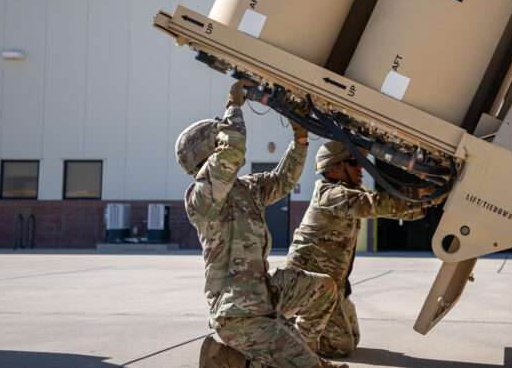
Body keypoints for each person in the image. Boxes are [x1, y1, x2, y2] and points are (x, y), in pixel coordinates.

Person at [176, 81, 346, 368]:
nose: (224, 139)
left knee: (323, 288)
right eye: (218, 139)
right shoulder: (201, 199)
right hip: (239, 313)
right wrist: (234, 106)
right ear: (207, 153)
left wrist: (300, 138)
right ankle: (235, 360)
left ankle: (295, 351)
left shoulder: (246, 189)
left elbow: (284, 180)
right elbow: (231, 153)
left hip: (265, 293)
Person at [285, 141, 434, 358]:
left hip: (330, 286)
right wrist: (426, 194)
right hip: (309, 289)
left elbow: (397, 210)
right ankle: (285, 335)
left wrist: (428, 201)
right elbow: (378, 204)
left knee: (352, 340)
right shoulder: (331, 195)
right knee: (340, 347)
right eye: (354, 163)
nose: (360, 169)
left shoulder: (347, 192)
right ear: (334, 168)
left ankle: (299, 325)